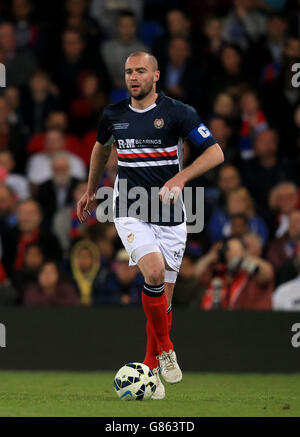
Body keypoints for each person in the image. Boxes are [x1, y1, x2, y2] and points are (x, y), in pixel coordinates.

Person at [77, 51, 224, 399]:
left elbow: (215, 152)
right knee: (154, 274)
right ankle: (168, 349)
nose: (133, 77)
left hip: (172, 216)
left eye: (141, 71)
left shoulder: (177, 112)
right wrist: (91, 190)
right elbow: (101, 148)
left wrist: (181, 178)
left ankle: (151, 369)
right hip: (130, 208)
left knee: (164, 302)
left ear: (156, 76)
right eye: (129, 71)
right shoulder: (113, 115)